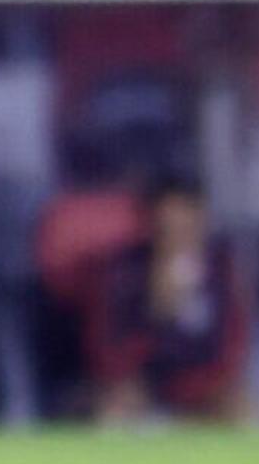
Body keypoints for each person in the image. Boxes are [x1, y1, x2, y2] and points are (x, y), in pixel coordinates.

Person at [94, 179, 250, 425]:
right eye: (169, 225)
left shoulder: (222, 267)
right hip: (145, 385)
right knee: (116, 409)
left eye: (188, 220)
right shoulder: (127, 270)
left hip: (204, 384)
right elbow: (112, 350)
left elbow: (233, 341)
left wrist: (207, 384)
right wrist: (157, 310)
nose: (179, 231)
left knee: (243, 408)